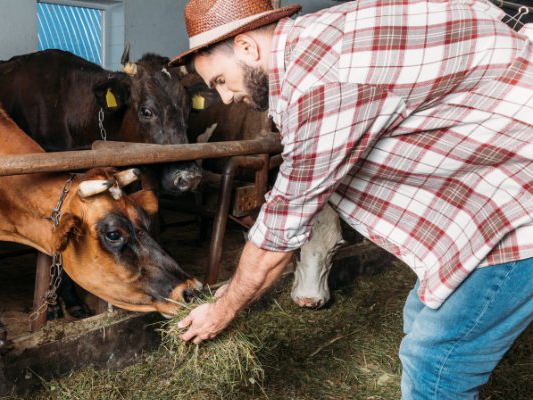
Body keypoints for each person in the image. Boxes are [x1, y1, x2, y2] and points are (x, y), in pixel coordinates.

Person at [170, 0, 533, 398]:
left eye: (221, 80)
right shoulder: (327, 35)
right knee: (421, 314)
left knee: (436, 360)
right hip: (492, 181)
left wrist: (223, 312)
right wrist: (237, 290)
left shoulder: (325, 82)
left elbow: (282, 226)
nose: (223, 99)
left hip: (517, 207)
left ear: (246, 47)